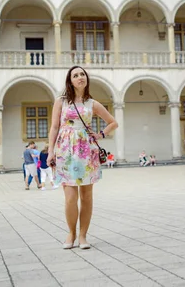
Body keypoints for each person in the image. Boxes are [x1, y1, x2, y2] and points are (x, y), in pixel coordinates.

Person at [48, 66, 118, 250]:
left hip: (87, 150)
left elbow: (113, 122)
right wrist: (50, 152)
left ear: (86, 79)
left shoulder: (92, 104)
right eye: (76, 75)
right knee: (70, 197)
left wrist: (101, 134)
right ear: (70, 80)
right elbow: (54, 127)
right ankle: (70, 233)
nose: (80, 77)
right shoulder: (61, 102)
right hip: (65, 151)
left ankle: (83, 236)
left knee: (86, 196)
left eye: (82, 74)